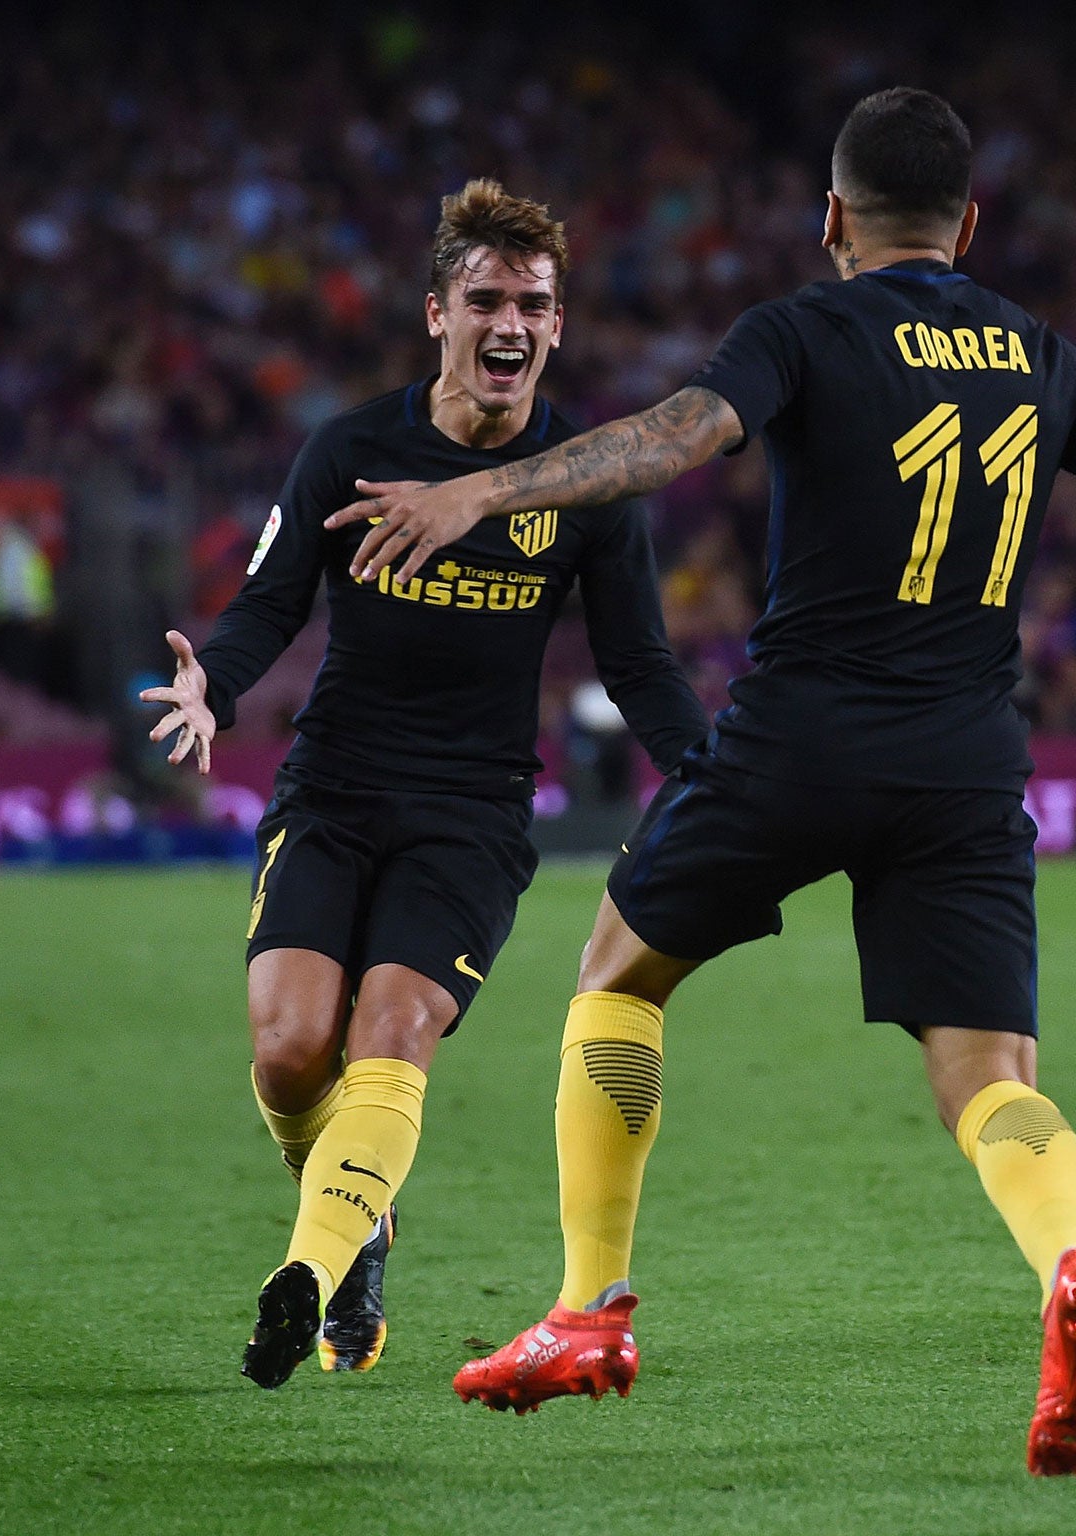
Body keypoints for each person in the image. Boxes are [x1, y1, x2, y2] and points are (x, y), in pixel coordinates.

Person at [329, 89, 1076, 1475]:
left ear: (834, 218)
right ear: (969, 223)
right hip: (966, 758)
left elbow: (669, 439)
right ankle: (1069, 1268)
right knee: (990, 1077)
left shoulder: (801, 326)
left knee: (616, 978)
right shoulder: (1044, 353)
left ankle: (589, 1309)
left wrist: (485, 492)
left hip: (800, 736)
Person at [140, 180, 707, 1387]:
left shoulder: (580, 479)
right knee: (294, 1053)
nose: (511, 323)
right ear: (437, 314)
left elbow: (637, 662)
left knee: (392, 1029)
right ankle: (367, 1220)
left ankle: (312, 1270)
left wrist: (715, 769)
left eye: (534, 304)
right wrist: (212, 691)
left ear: (556, 328)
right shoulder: (351, 448)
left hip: (471, 810)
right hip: (335, 787)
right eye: (488, 299)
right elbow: (266, 605)